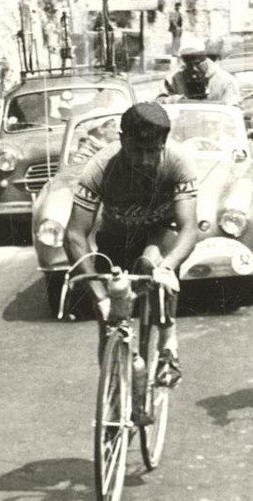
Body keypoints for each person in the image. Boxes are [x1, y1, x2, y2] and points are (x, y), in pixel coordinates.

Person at [65, 101, 199, 387]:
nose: (147, 161)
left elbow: (188, 229)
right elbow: (75, 235)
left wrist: (169, 267)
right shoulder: (101, 167)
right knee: (110, 321)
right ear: (122, 139)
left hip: (160, 235)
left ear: (164, 143)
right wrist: (99, 297)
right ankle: (115, 396)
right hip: (116, 239)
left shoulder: (178, 162)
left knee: (151, 262)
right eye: (137, 151)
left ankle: (167, 344)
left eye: (154, 152)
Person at [163, 34, 241, 104]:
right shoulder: (174, 80)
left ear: (205, 59)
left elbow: (232, 108)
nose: (194, 68)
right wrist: (175, 100)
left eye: (197, 64)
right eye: (189, 65)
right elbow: (159, 102)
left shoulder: (225, 80)